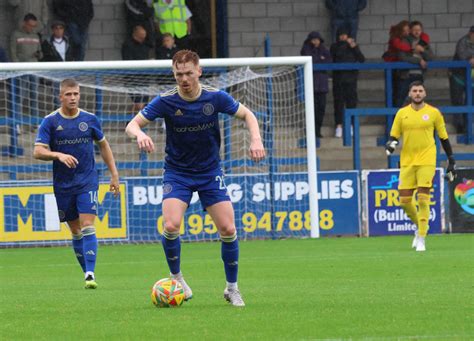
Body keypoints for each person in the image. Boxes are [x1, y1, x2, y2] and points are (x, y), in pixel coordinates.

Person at [125, 50, 266, 306]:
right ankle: (177, 278)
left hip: (210, 172)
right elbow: (132, 125)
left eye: (189, 73)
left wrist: (255, 139)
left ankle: (232, 288)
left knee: (228, 229)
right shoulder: (166, 101)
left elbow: (248, 115)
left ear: (199, 71)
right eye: (179, 74)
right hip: (177, 173)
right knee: (170, 225)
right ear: (174, 74)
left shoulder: (216, 97)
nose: (184, 79)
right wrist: (140, 135)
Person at [33, 78, 120, 288]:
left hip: (87, 180)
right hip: (63, 184)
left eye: (76, 94)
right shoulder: (50, 121)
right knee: (75, 231)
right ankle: (86, 271)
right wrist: (58, 155)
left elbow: (104, 146)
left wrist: (114, 174)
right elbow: (37, 151)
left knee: (88, 224)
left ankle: (90, 273)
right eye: (69, 94)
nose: (73, 98)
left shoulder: (90, 119)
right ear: (60, 96)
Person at [385, 81, 457, 252]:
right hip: (407, 160)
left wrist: (451, 160)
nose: (417, 93)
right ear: (410, 94)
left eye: (420, 91)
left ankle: (422, 238)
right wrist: (391, 145)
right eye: (414, 91)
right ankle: (420, 226)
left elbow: (443, 137)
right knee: (404, 201)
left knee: (423, 199)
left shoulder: (433, 113)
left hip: (427, 160)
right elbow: (394, 136)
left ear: (425, 94)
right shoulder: (402, 114)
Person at [330, 27, 365, 138]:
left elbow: (361, 59)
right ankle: (339, 126)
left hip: (351, 79)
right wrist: (345, 45)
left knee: (351, 103)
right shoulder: (334, 47)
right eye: (341, 35)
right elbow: (336, 56)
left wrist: (354, 47)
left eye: (345, 35)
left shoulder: (353, 47)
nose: (343, 37)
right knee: (338, 103)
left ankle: (351, 126)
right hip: (339, 80)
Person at [10, 13, 42, 125]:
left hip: (35, 68)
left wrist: (39, 55)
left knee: (34, 95)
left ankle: (35, 122)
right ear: (24, 23)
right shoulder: (16, 35)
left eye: (34, 26)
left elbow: (41, 53)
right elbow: (13, 53)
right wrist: (18, 67)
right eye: (30, 25)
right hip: (22, 69)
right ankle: (17, 123)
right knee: (20, 95)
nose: (31, 28)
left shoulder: (36, 36)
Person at [300, 31, 332, 138]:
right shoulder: (306, 49)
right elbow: (310, 60)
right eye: (313, 39)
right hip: (310, 86)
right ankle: (310, 132)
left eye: (317, 39)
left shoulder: (324, 50)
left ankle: (317, 131)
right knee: (311, 109)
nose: (315, 41)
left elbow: (328, 62)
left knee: (321, 109)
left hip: (322, 86)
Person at [396, 21, 433, 107]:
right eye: (414, 30)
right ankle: (396, 119)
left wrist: (422, 50)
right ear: (410, 31)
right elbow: (403, 57)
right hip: (406, 75)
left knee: (417, 99)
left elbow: (431, 56)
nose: (417, 32)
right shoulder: (405, 41)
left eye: (419, 30)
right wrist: (419, 61)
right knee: (401, 98)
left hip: (419, 75)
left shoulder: (424, 42)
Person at [122, 25, 152, 115]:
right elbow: (129, 61)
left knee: (143, 106)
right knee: (139, 104)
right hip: (132, 79)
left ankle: (133, 124)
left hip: (144, 79)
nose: (143, 37)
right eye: (141, 35)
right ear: (135, 34)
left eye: (144, 35)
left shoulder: (145, 45)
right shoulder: (127, 45)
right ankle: (128, 123)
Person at [450, 26, 474, 134]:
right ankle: (458, 125)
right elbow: (462, 56)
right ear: (470, 33)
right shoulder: (462, 42)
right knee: (457, 101)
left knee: (470, 102)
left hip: (471, 78)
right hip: (457, 76)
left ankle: (467, 125)